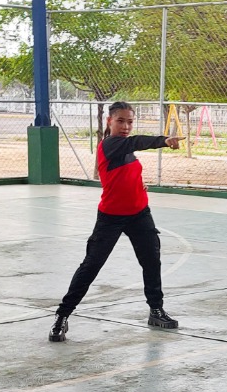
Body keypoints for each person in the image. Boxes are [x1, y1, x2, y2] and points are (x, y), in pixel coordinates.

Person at [49, 102, 183, 341]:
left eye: (130, 122)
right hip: (111, 217)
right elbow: (136, 142)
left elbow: (126, 172)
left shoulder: (124, 148)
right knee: (91, 266)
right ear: (109, 121)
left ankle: (156, 311)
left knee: (151, 261)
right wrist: (164, 140)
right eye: (120, 121)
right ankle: (62, 316)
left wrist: (137, 185)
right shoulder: (110, 144)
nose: (126, 126)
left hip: (139, 214)